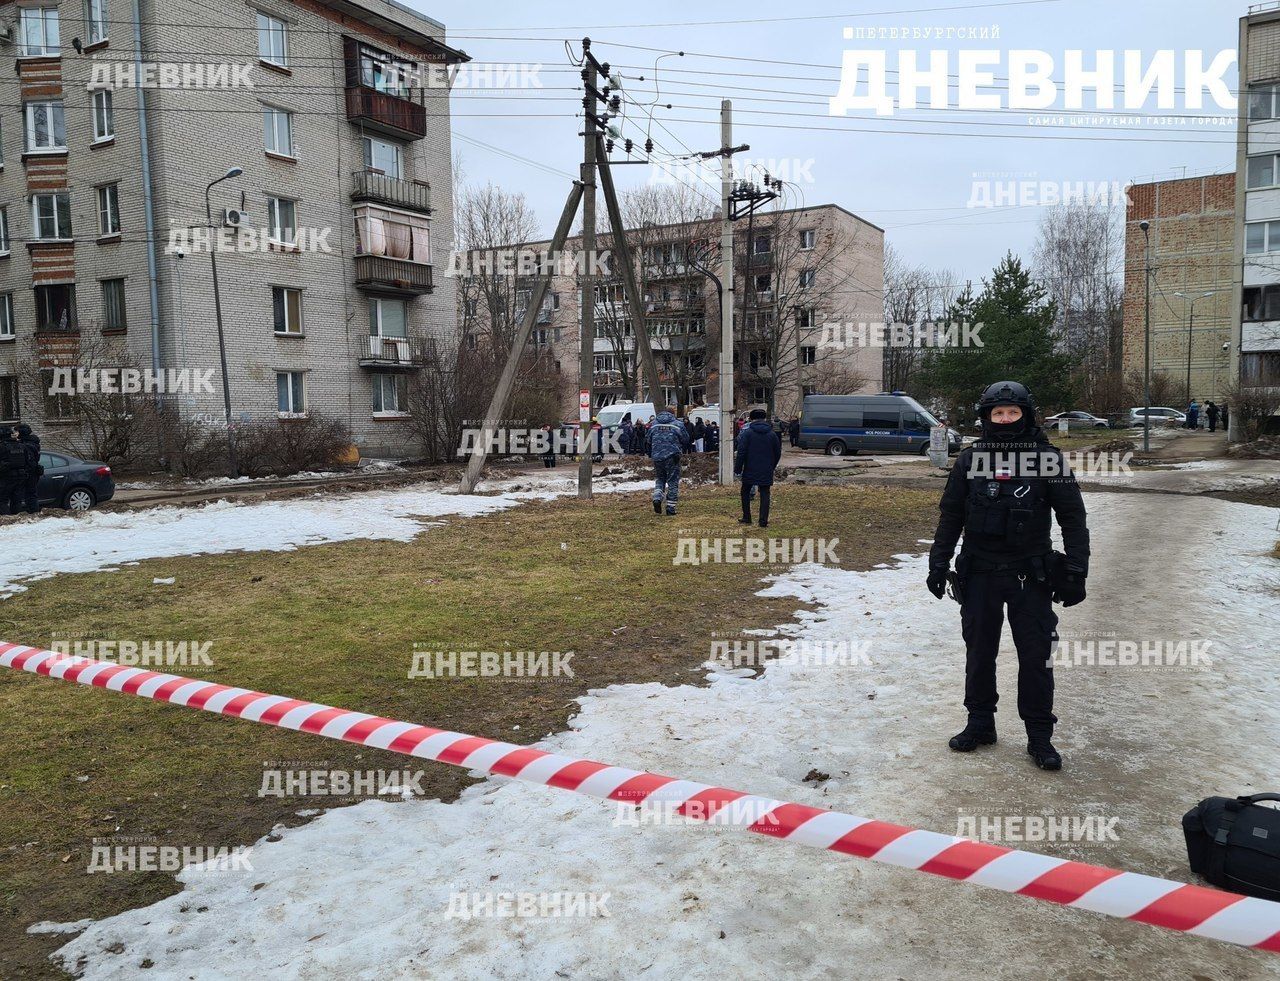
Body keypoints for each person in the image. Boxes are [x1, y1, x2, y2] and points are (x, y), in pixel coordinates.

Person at [926, 381, 1089, 772]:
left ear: (1026, 415)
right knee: (979, 653)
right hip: (979, 571)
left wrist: (1077, 569)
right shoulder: (970, 460)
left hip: (1029, 574)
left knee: (1036, 657)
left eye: (1011, 413)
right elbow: (951, 516)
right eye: (997, 413)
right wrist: (937, 562)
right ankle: (980, 723)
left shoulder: (1047, 459)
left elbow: (1073, 518)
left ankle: (1039, 736)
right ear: (986, 417)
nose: (1004, 420)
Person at [735, 408, 783, 527]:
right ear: (764, 418)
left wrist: (738, 468)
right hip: (766, 468)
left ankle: (747, 517)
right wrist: (772, 465)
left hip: (750, 468)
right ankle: (763, 521)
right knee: (765, 492)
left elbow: (741, 452)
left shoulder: (747, 433)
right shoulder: (772, 434)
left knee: (745, 491)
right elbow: (777, 452)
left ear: (751, 419)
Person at [646, 405, 690, 515]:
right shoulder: (678, 424)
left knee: (660, 478)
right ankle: (670, 507)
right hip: (672, 457)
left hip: (657, 456)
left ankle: (657, 498)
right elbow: (686, 439)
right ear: (673, 413)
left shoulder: (654, 424)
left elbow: (647, 439)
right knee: (672, 481)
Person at [0, 427, 29, 516]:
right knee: (16, 501)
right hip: (20, 476)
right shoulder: (22, 445)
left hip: (6, 477)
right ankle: (18, 520)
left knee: (2, 501)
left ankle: (8, 521)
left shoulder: (2, 447)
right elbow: (27, 461)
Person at [16, 424, 42, 514]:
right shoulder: (33, 443)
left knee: (30, 495)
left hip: (29, 474)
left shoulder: (27, 445)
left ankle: (34, 514)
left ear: (22, 432)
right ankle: (33, 513)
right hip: (33, 473)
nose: (16, 434)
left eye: (17, 431)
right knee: (31, 495)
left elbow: (30, 462)